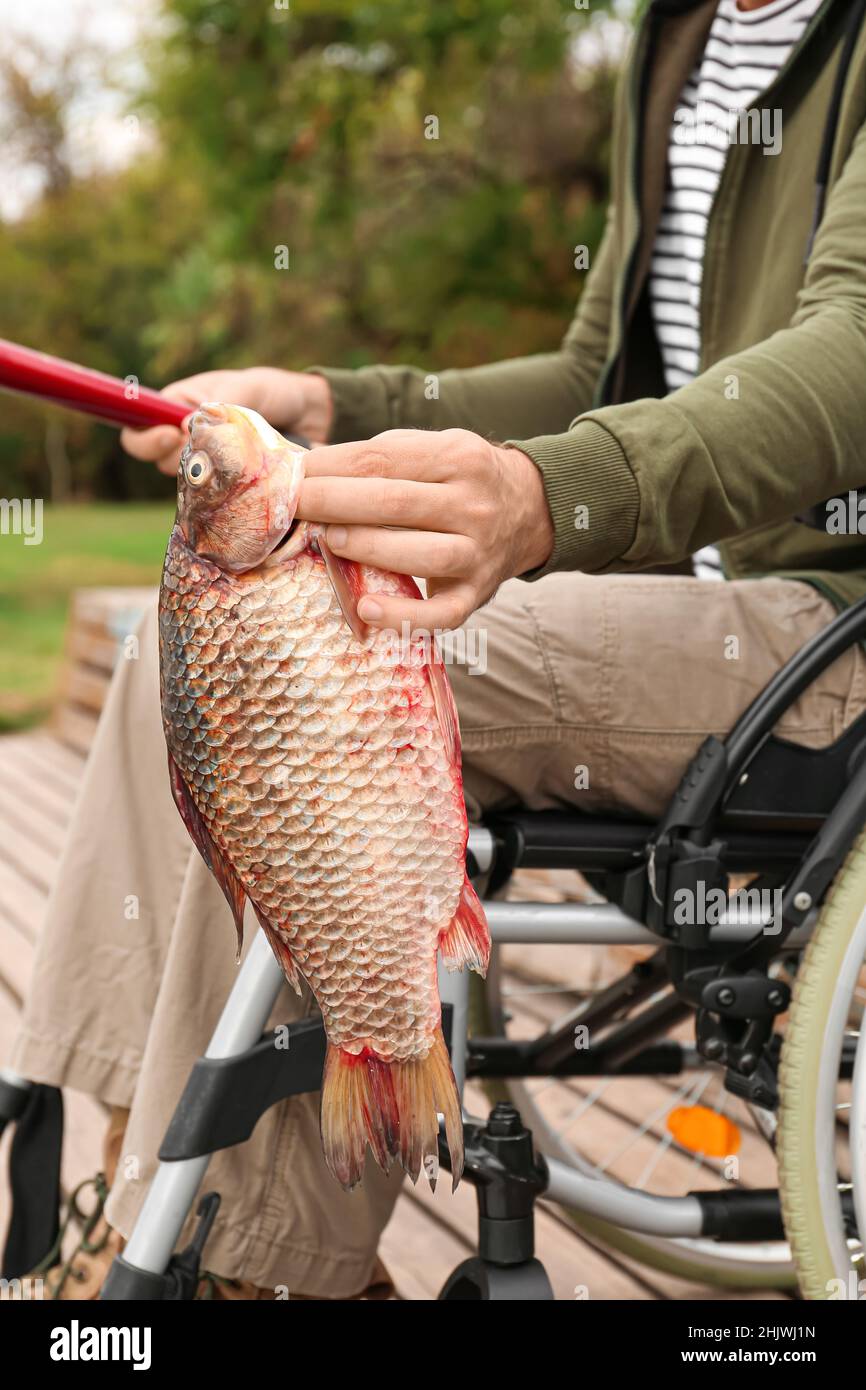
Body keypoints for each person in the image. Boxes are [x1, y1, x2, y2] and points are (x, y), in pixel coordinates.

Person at [10, 0, 866, 1297]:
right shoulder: (680, 31)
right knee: (178, 642)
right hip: (685, 608)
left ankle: (262, 1268)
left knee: (312, 658)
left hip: (823, 628)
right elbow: (599, 370)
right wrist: (339, 403)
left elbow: (848, 358)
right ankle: (150, 1204)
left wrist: (551, 494)